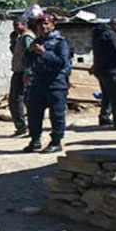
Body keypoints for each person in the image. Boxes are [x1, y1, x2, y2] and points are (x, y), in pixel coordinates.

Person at [24, 14, 72, 154]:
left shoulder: (60, 42)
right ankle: (35, 140)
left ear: (52, 25)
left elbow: (61, 62)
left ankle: (56, 142)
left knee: (56, 115)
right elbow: (27, 63)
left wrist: (44, 53)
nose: (43, 27)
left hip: (56, 84)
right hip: (37, 83)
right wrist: (30, 52)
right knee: (34, 114)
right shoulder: (37, 41)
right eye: (40, 24)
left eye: (46, 24)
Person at [90, 18, 116, 128]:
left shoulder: (98, 33)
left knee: (107, 95)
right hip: (112, 70)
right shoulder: (111, 35)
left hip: (100, 70)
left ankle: (104, 117)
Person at [8, 18, 36, 136]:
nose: (15, 28)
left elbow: (31, 54)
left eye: (16, 25)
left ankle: (24, 128)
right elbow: (16, 52)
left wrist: (28, 72)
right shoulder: (21, 38)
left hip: (24, 72)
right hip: (19, 71)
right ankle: (24, 127)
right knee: (16, 99)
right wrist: (13, 41)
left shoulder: (27, 37)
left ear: (24, 25)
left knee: (17, 99)